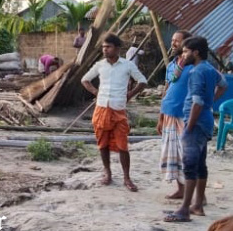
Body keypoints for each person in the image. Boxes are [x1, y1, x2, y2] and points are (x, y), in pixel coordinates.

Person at [164, 36, 227, 223]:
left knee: (190, 165)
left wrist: (189, 126)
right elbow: (224, 85)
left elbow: (197, 101)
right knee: (200, 164)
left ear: (196, 52)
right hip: (206, 120)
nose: (183, 55)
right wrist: (211, 102)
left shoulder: (197, 72)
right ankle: (197, 204)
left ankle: (184, 209)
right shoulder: (210, 69)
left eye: (186, 51)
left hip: (196, 122)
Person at [81, 33, 147, 192]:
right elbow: (85, 79)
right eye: (103, 47)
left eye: (108, 47)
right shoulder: (100, 65)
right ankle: (107, 173)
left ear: (117, 49)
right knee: (102, 143)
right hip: (101, 108)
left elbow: (143, 81)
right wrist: (96, 92)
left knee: (123, 145)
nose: (105, 50)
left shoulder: (127, 65)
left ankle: (127, 178)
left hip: (118, 109)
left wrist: (130, 95)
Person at [156, 30, 192, 199]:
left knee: (188, 155)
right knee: (174, 155)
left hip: (184, 115)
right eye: (172, 40)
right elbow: (167, 90)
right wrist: (160, 117)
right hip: (169, 112)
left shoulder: (194, 68)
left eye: (177, 41)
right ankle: (181, 190)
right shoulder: (171, 66)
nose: (173, 43)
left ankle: (199, 194)